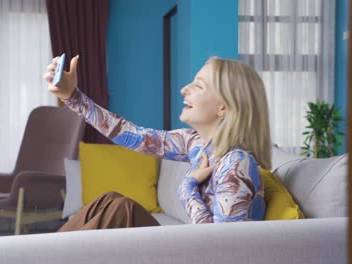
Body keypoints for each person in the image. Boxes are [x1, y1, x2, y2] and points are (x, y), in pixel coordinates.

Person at [44, 55, 271, 231]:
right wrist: (72, 96)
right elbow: (133, 135)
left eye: (199, 86)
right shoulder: (195, 143)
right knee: (109, 200)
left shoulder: (237, 163)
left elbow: (222, 248)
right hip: (190, 248)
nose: (184, 89)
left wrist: (188, 187)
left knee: (121, 209)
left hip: (200, 255)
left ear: (224, 107)